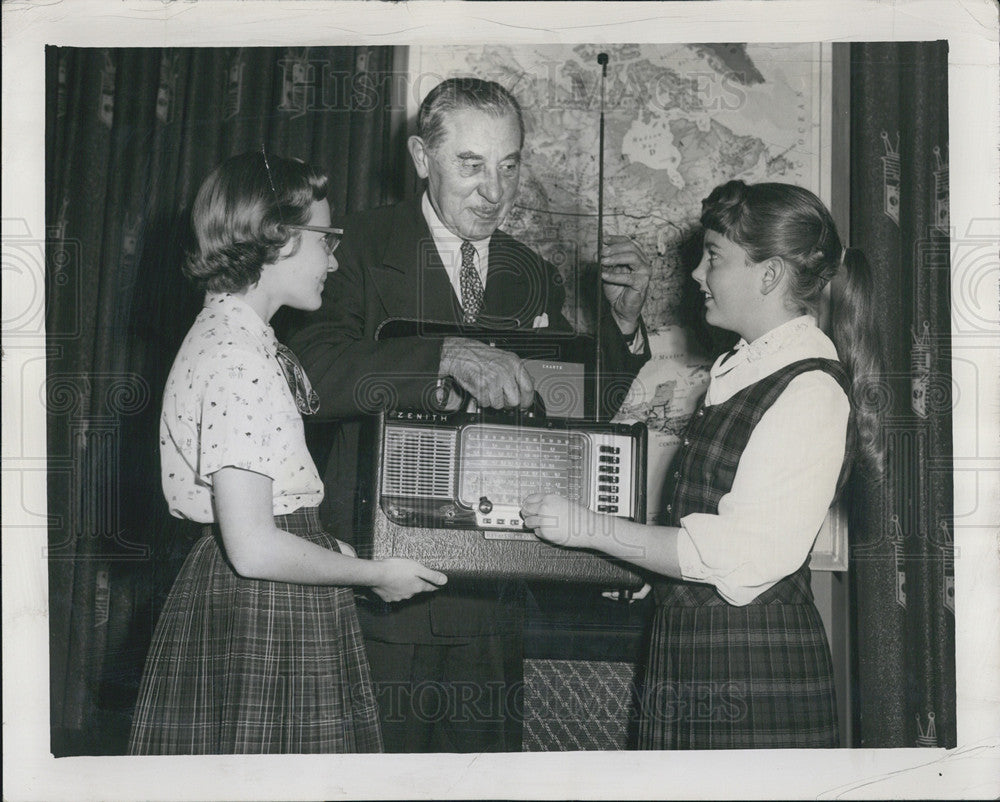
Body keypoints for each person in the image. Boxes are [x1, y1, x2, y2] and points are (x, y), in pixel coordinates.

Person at [285, 77, 652, 753]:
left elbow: (575, 412)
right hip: (378, 587)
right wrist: (442, 356)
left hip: (491, 596)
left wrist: (622, 331)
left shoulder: (530, 271)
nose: (495, 192)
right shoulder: (354, 244)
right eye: (471, 165)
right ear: (423, 158)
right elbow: (311, 368)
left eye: (509, 166)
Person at [522, 179, 885, 749]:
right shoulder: (746, 370)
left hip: (749, 663)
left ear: (768, 276)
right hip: (699, 644)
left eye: (713, 256)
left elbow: (737, 556)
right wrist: (659, 569)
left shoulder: (810, 389)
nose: (696, 274)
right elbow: (706, 517)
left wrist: (588, 528)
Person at [128, 151, 446, 755]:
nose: (334, 257)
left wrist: (341, 556)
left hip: (255, 595)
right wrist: (375, 573)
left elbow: (271, 515)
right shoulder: (236, 357)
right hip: (263, 607)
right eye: (326, 239)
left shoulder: (236, 338)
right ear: (276, 239)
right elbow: (253, 546)